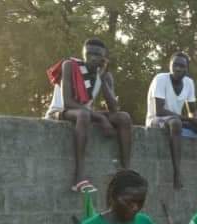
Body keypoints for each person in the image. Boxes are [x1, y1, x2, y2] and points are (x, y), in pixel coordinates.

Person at [44, 38, 133, 191]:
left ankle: (125, 171)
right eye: (89, 53)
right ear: (83, 54)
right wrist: (99, 118)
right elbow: (68, 102)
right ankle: (79, 178)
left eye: (97, 55)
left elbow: (114, 108)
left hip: (84, 112)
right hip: (60, 111)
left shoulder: (105, 75)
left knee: (124, 117)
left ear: (104, 58)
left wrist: (103, 79)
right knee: (84, 115)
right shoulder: (70, 66)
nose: (93, 57)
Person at [145, 52, 197, 189]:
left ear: (187, 68)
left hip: (177, 119)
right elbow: (159, 111)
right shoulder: (160, 79)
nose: (178, 68)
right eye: (175, 65)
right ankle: (177, 173)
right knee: (176, 123)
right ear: (170, 66)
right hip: (157, 120)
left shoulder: (189, 83)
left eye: (182, 66)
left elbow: (192, 111)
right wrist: (191, 120)